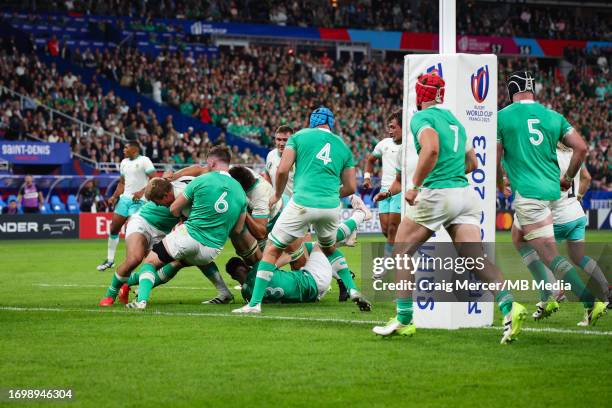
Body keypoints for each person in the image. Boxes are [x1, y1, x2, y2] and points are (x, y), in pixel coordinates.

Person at [372, 71, 526, 344]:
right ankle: (510, 306)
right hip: (464, 195)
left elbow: (430, 149)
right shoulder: (455, 121)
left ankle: (404, 319)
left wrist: (415, 185)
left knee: (401, 250)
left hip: (437, 194)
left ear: (420, 94)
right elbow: (472, 164)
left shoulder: (421, 118)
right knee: (475, 260)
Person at [233, 106, 371, 314]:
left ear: (312, 121)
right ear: (331, 123)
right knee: (329, 247)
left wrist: (278, 195)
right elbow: (351, 187)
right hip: (331, 206)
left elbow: (282, 170)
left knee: (272, 249)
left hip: (301, 204)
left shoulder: (299, 137)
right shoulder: (343, 147)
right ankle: (352, 289)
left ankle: (254, 304)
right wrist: (331, 196)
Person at [498, 71, 606, 327]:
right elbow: (581, 148)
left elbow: (496, 153)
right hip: (551, 193)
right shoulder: (553, 116)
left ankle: (588, 300)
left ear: (512, 91)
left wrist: (499, 182)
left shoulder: (503, 116)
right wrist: (569, 177)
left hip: (529, 193)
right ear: (532, 90)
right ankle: (549, 294)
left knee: (549, 254)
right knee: (518, 236)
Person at [126, 146, 247, 309]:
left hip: (190, 236)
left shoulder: (201, 181)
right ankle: (224, 292)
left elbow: (174, 208)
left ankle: (140, 300)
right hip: (212, 249)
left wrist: (183, 217)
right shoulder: (240, 191)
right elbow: (238, 230)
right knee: (189, 261)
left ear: (211, 163)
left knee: (150, 262)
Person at [513, 145, 611, 320]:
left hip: (559, 217)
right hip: (577, 214)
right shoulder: (572, 154)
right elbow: (587, 178)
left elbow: (546, 187)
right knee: (579, 257)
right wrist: (577, 198)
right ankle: (606, 290)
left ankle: (554, 296)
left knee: (543, 256)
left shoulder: (549, 156)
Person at [97, 141, 156, 272]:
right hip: (125, 199)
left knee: (132, 232)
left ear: (134, 150)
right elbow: (122, 183)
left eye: (126, 147)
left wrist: (142, 192)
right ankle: (110, 260)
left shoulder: (145, 161)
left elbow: (154, 179)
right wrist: (114, 196)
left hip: (139, 201)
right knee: (114, 228)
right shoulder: (123, 162)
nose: (124, 149)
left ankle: (135, 262)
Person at [226, 243, 333, 304]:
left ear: (233, 277)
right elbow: (288, 257)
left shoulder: (246, 294)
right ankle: (348, 234)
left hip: (311, 296)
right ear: (245, 266)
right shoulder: (260, 267)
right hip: (313, 280)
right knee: (320, 244)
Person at [363, 110, 403, 263]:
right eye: (389, 127)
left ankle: (387, 263)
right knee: (386, 230)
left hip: (399, 191)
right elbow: (370, 160)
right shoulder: (384, 144)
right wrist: (367, 178)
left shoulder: (410, 145)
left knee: (393, 228)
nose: (390, 131)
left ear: (402, 127)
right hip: (384, 192)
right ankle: (401, 253)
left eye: (393, 127)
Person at [263, 125, 295, 198]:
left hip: (293, 205)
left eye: (285, 140)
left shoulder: (298, 158)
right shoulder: (270, 155)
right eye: (279, 139)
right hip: (277, 204)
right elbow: (267, 175)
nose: (281, 143)